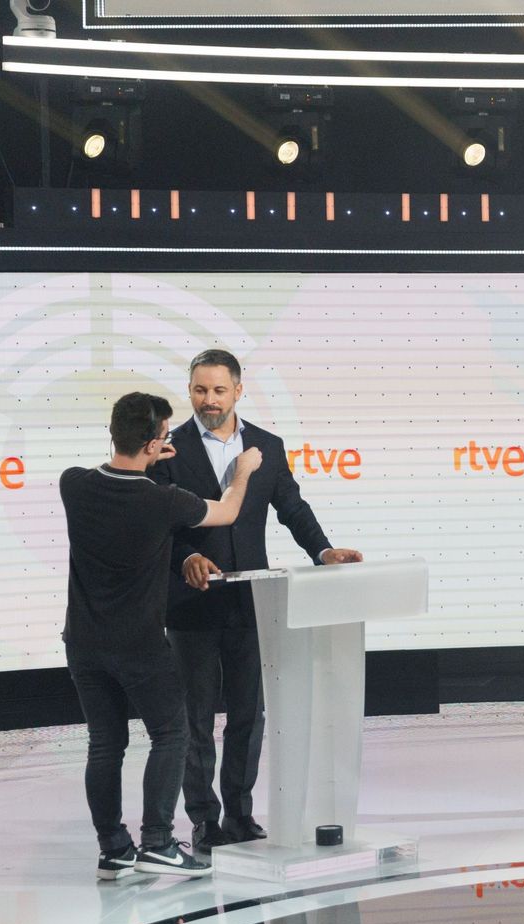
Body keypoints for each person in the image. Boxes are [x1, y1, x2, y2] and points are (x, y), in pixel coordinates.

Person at [152, 350, 363, 856]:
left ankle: (241, 814)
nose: (208, 400)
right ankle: (204, 821)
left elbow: (291, 505)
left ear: (238, 391)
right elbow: (160, 523)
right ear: (190, 391)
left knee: (249, 714)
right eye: (200, 390)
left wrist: (323, 549)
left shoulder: (267, 446)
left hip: (252, 604)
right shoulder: (168, 451)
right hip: (191, 604)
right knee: (196, 718)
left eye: (218, 390)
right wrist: (188, 557)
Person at [61, 392, 261, 879]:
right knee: (171, 735)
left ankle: (113, 849)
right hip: (141, 646)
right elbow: (228, 511)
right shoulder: (163, 500)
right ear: (155, 443)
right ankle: (157, 842)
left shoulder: (75, 484)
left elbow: (116, 483)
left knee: (104, 746)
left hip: (84, 644)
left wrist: (146, 457)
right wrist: (243, 471)